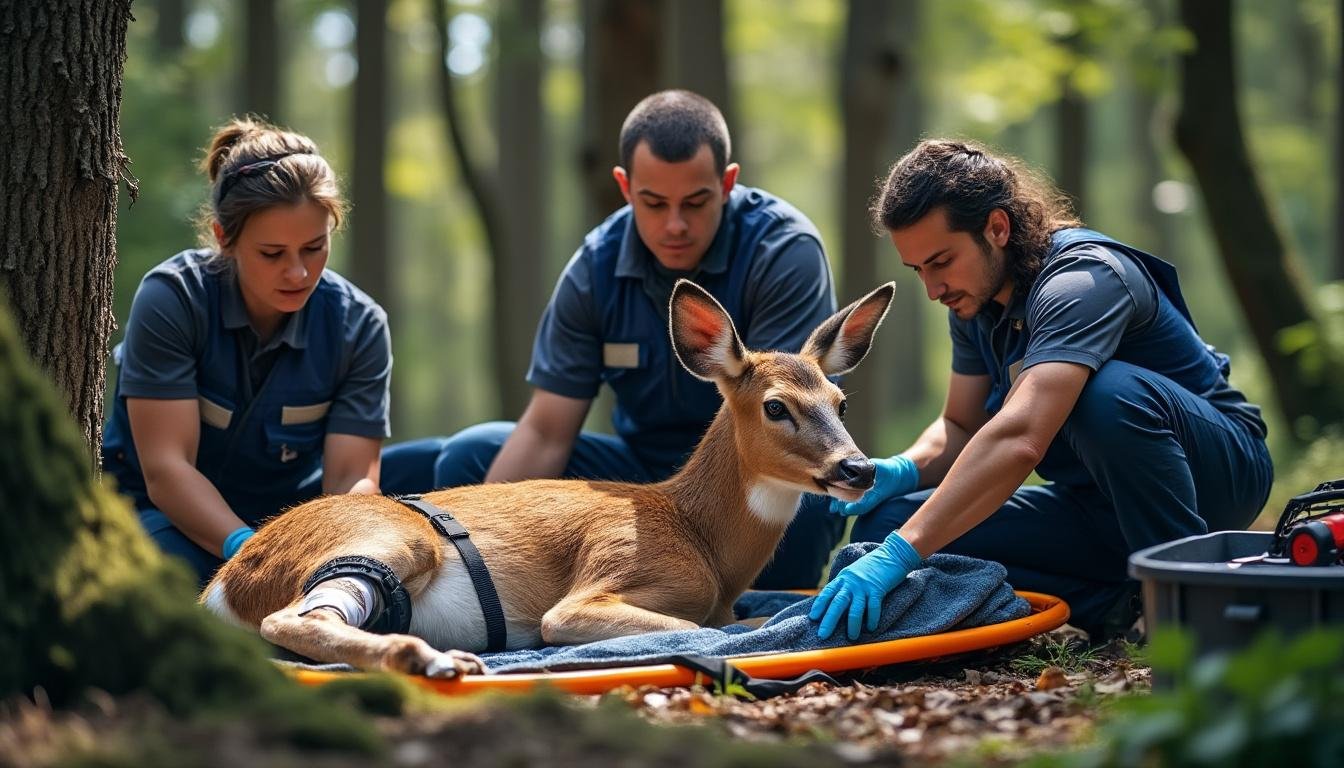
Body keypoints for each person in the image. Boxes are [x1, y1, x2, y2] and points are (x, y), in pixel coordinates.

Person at [809, 139, 1273, 641]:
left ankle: (1189, 606)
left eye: (941, 261)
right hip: (1098, 507)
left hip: (1218, 477)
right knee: (890, 518)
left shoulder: (1085, 281)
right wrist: (898, 471)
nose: (932, 288)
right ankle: (1117, 604)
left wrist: (904, 554)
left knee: (1106, 396)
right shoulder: (974, 303)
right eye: (918, 269)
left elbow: (1021, 435)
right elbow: (961, 425)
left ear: (998, 228)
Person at [384, 90, 845, 589]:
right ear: (625, 187)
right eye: (653, 203)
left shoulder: (783, 250)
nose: (675, 225)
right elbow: (545, 430)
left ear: (727, 183)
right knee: (469, 454)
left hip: (743, 469)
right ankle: (503, 596)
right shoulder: (595, 266)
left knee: (812, 501)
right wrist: (483, 557)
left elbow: (787, 409)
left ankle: (759, 609)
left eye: (695, 202)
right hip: (639, 475)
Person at [102, 117, 430, 586]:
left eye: (315, 247)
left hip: (288, 516)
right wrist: (251, 551)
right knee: (172, 583)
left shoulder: (359, 324)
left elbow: (351, 479)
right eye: (272, 254)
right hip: (162, 515)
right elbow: (166, 470)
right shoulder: (172, 300)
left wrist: (331, 548)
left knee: (452, 463)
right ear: (223, 238)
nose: (298, 273)